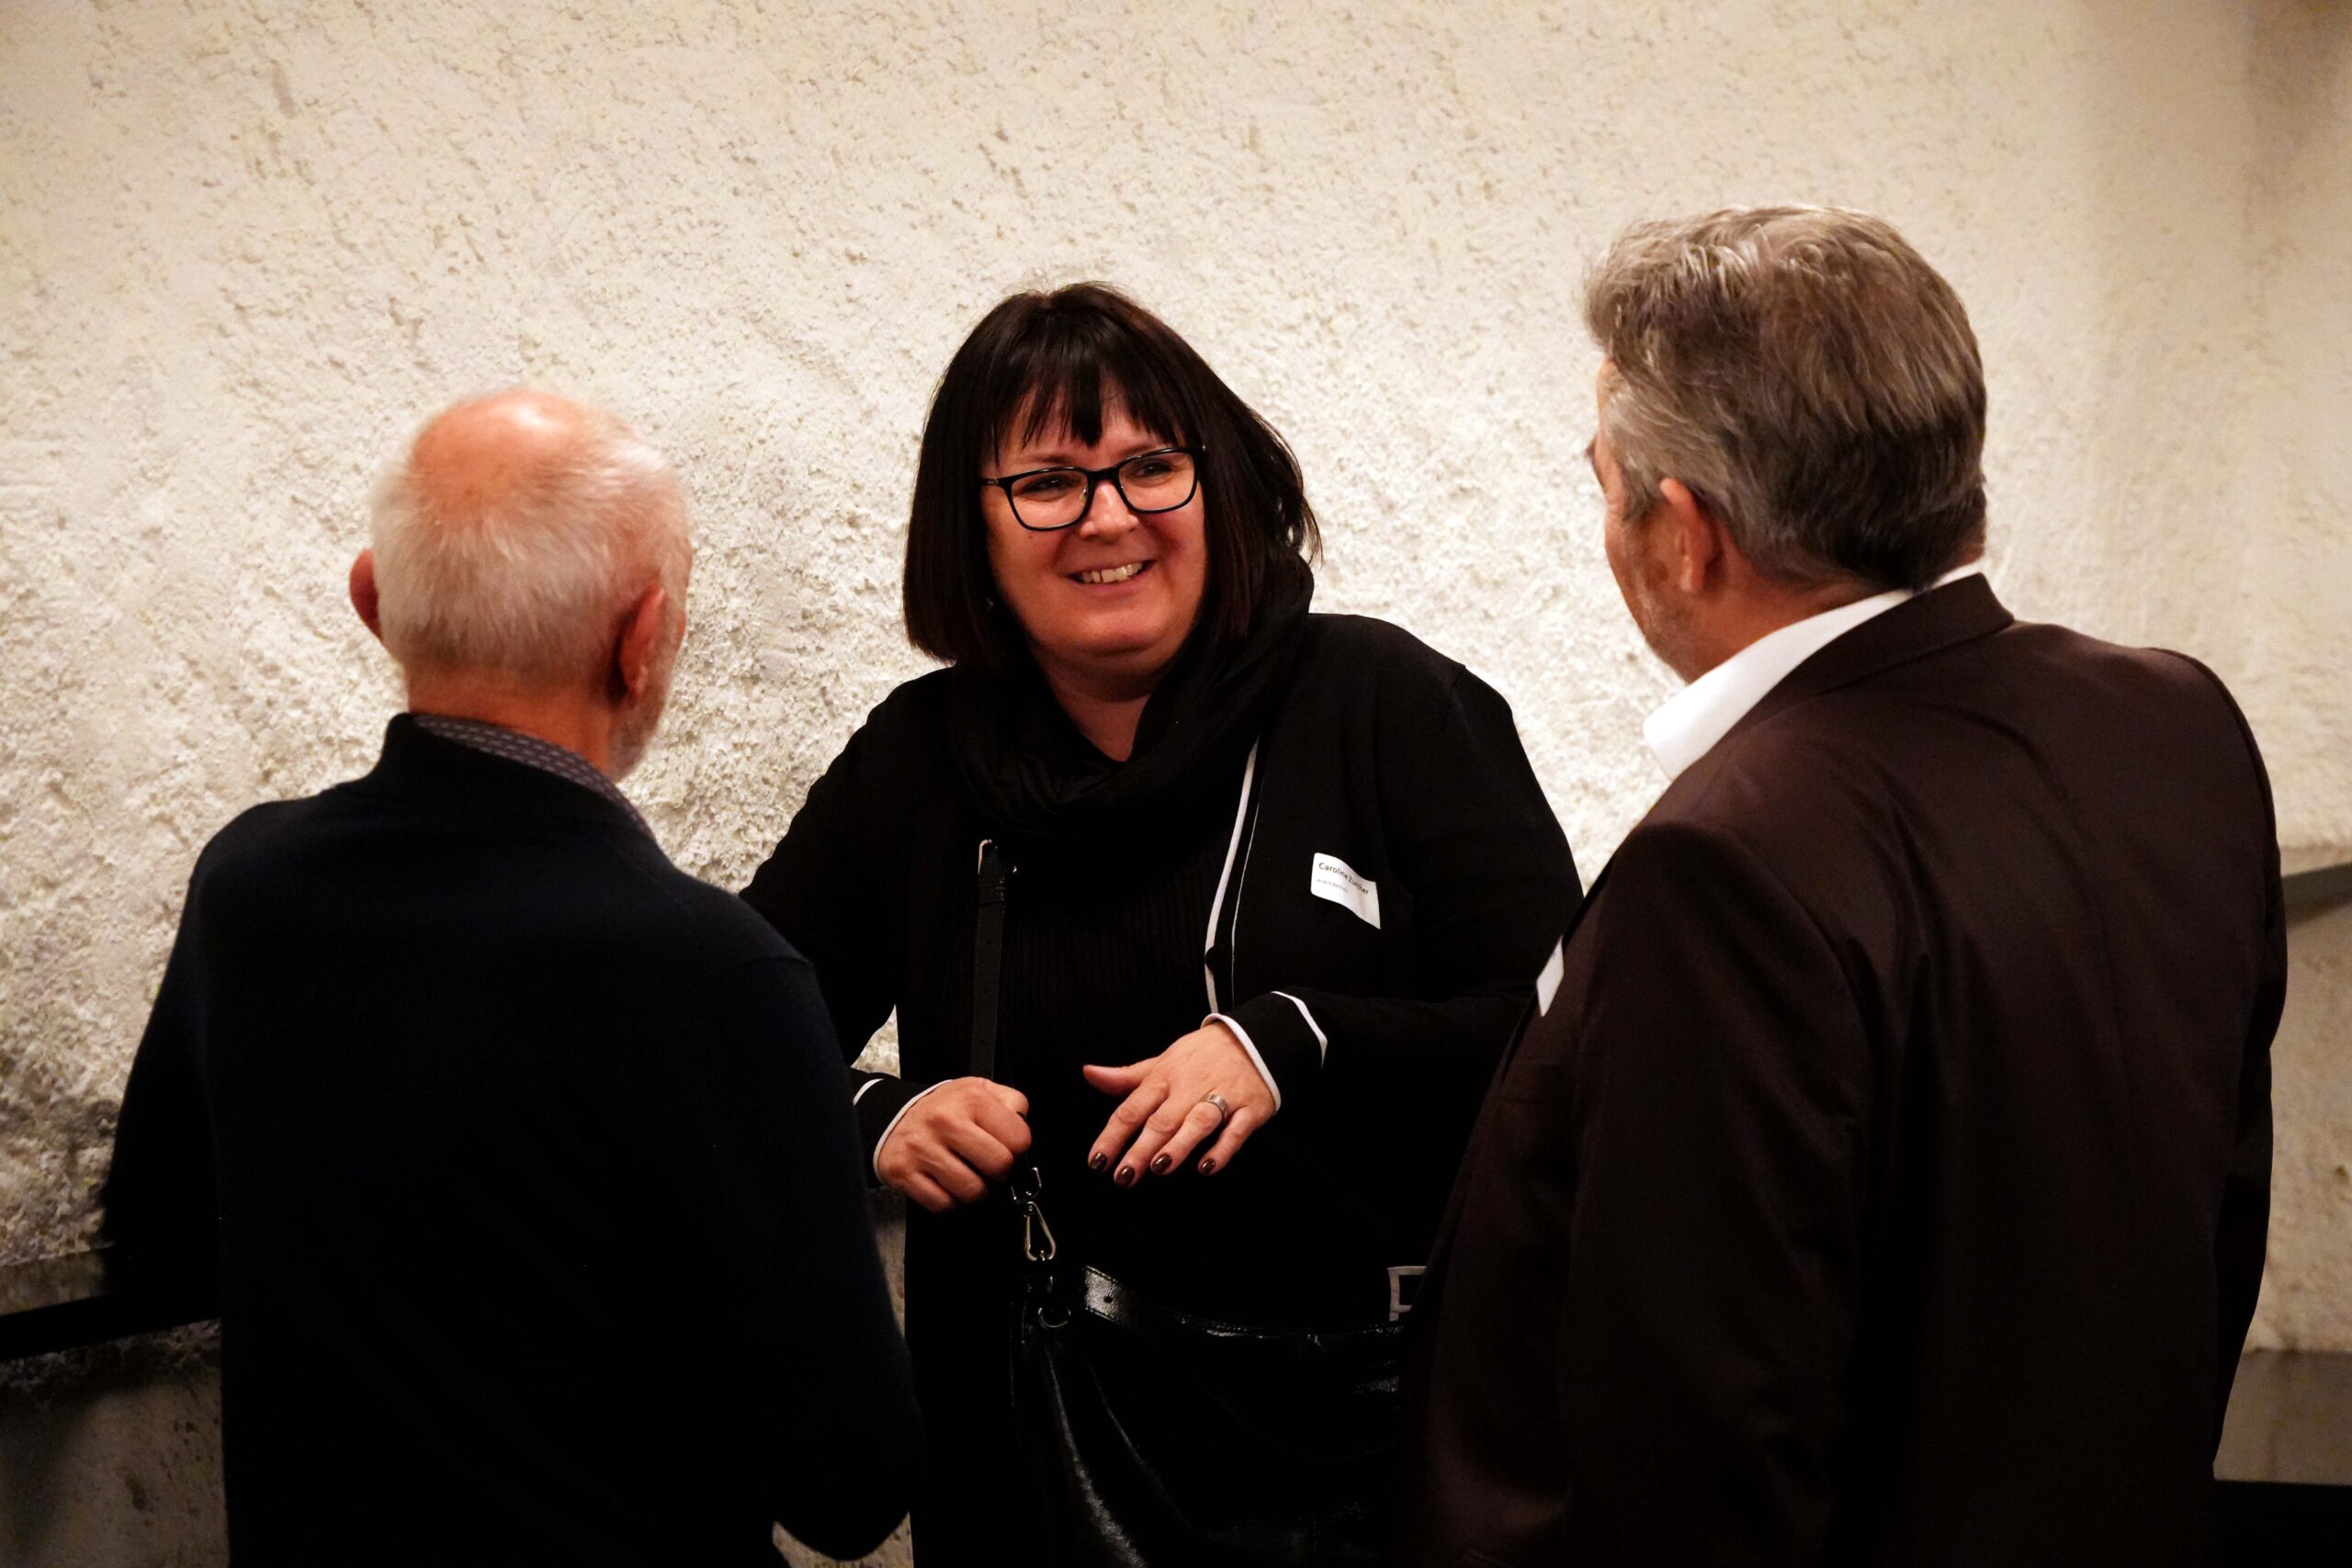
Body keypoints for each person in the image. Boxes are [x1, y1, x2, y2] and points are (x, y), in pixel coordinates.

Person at [1405, 207, 2286, 1565]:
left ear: (1686, 534)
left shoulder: (1724, 863)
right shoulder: (2175, 725)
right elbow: (2211, 1229)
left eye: (1604, 481)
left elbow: (1697, 1451)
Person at [741, 283, 1579, 1562]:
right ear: (970, 524)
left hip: (1358, 1459)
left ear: (1216, 482)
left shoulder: (1385, 704)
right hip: (1027, 1463)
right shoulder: (916, 761)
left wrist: (1293, 1040)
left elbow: (1561, 1043)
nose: (1107, 517)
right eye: (1048, 482)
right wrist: (877, 1118)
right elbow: (731, 1048)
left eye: (1149, 466)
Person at [102, 390, 920, 1565]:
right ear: (641, 640)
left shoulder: (245, 886)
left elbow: (159, 1239)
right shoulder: (716, 971)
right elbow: (850, 1488)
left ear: (372, 602)